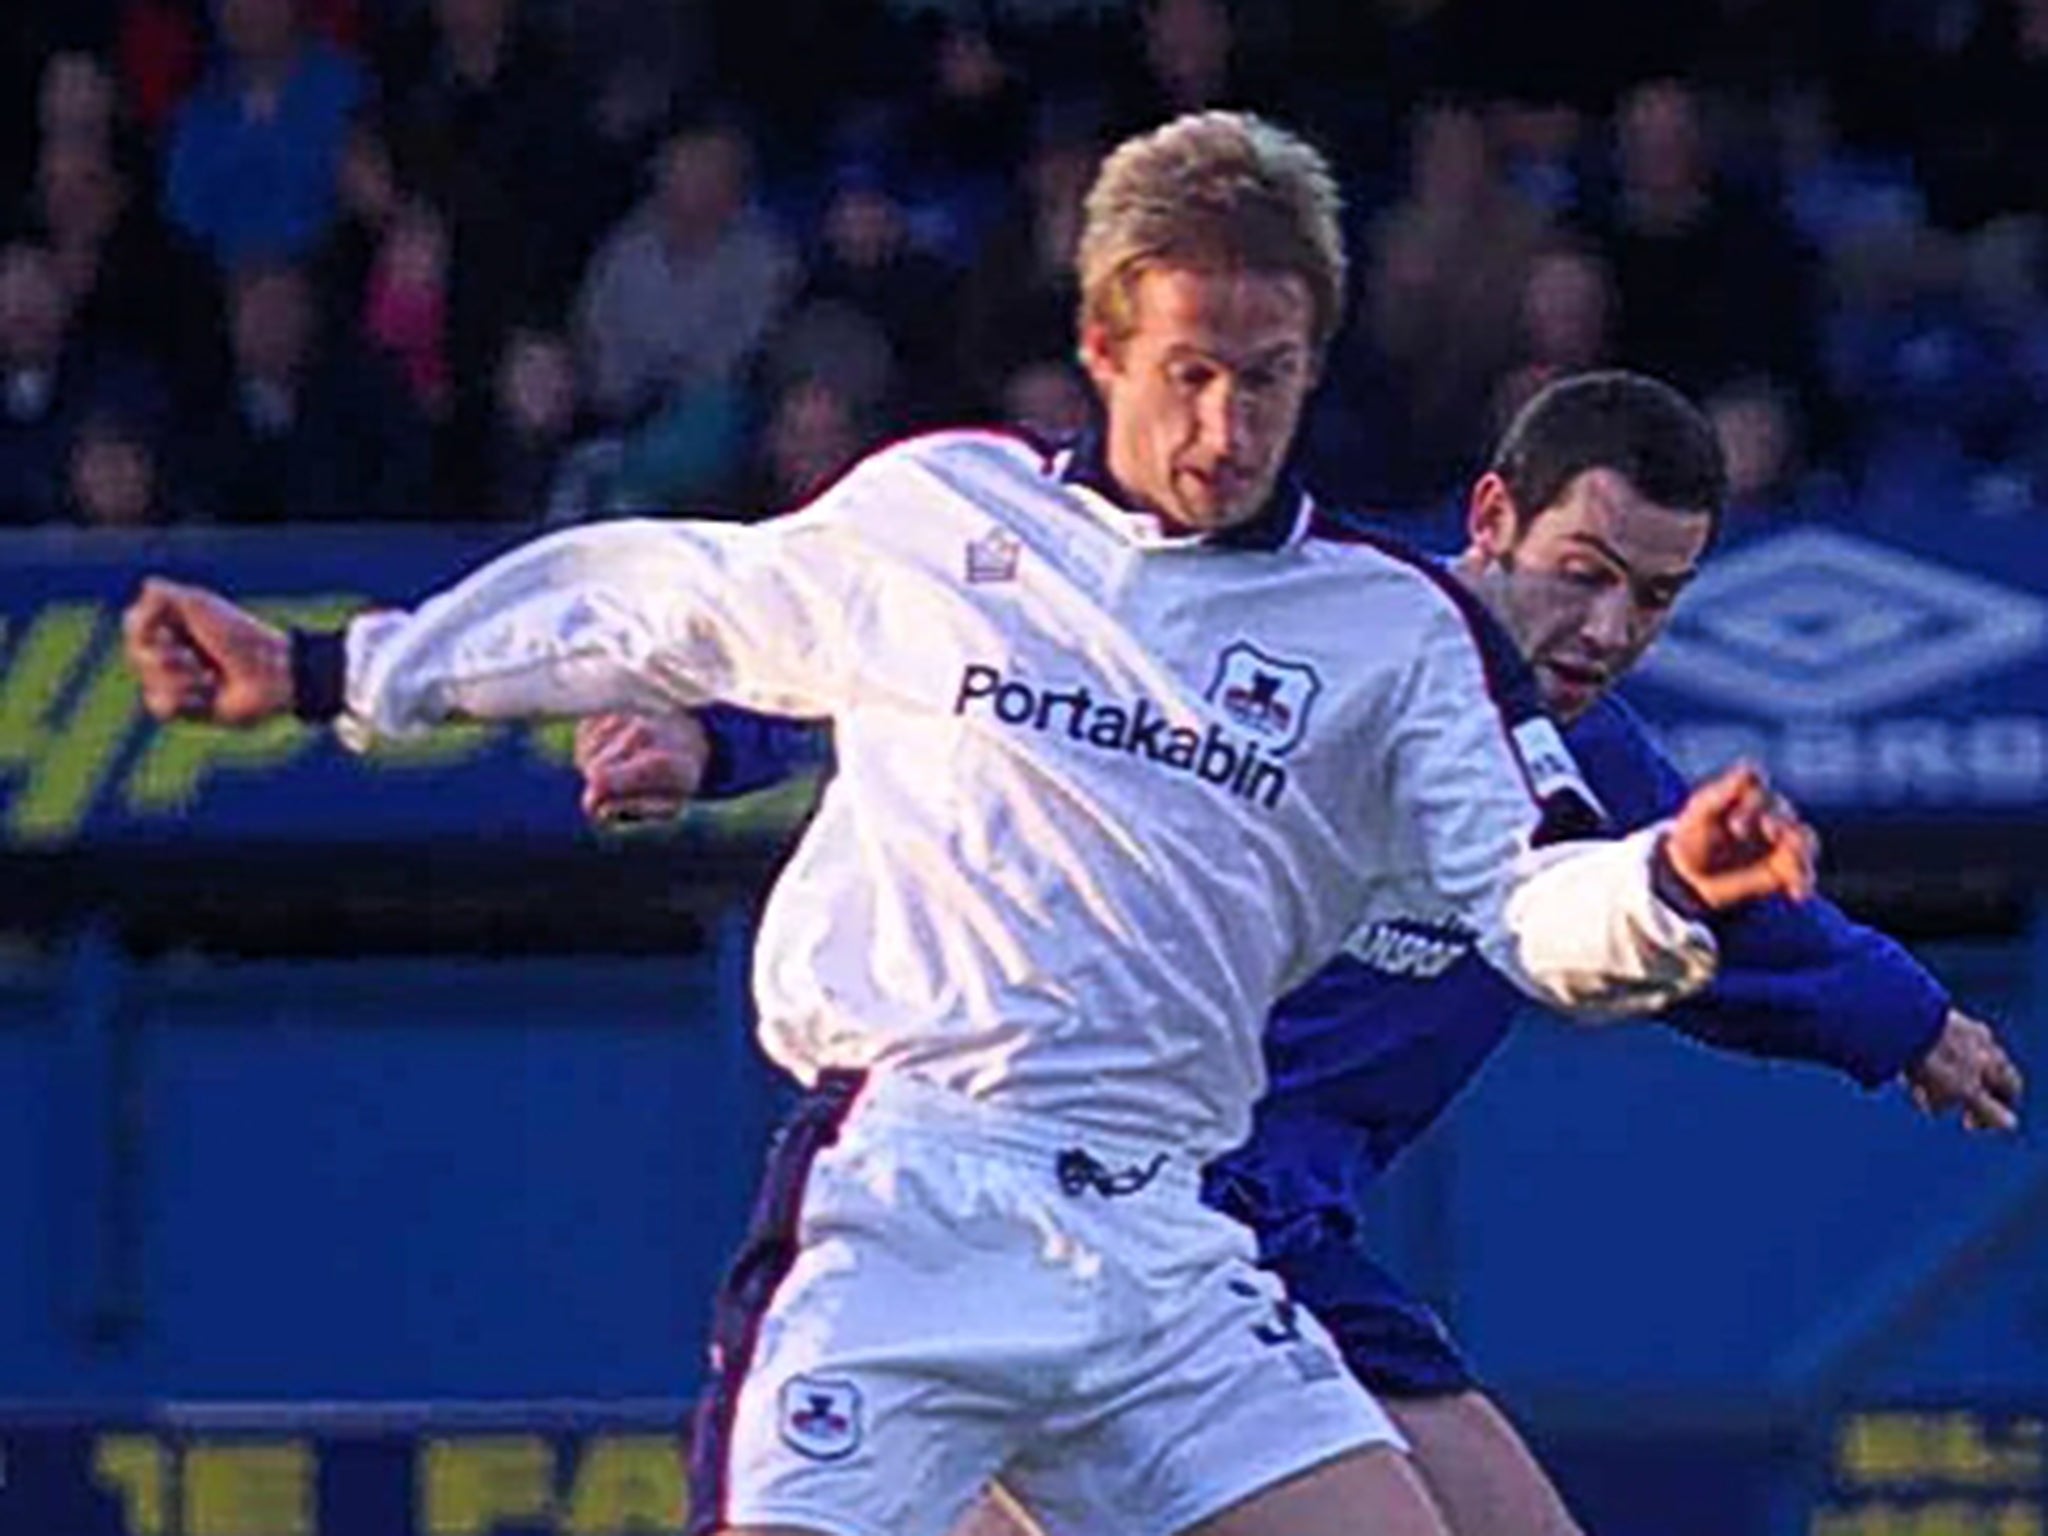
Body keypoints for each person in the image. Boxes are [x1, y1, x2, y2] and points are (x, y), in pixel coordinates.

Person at [123, 114, 1817, 1536]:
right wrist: (339, 668)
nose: (1228, 427)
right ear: (1102, 348)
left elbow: (1528, 906)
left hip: (1166, 1245)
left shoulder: (1389, 635)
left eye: (1273, 379)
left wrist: (1663, 890)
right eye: (1192, 374)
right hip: (907, 1205)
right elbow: (664, 597)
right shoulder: (944, 516)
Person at [573, 371, 2025, 1536]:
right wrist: (706, 738)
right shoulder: (1318, 633)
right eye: (1585, 572)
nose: (1609, 627)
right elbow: (960, 654)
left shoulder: (1595, 765)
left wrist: (1909, 1022)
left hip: (1282, 1240)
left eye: (1655, 598)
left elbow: (1739, 931)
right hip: (1093, 1204)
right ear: (1492, 512)